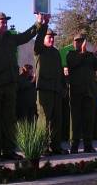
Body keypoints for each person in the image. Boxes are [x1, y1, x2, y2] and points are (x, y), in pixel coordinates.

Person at [0, 12, 48, 161]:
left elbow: (26, 36)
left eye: (6, 22)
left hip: (9, 85)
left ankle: (9, 150)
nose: (5, 24)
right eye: (2, 22)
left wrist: (38, 23)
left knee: (9, 119)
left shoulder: (10, 37)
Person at [34, 26, 69, 155]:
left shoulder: (55, 52)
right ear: (43, 38)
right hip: (44, 89)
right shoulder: (39, 50)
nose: (52, 39)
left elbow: (60, 71)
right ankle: (41, 147)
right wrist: (42, 27)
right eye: (49, 37)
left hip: (56, 90)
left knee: (57, 120)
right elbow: (37, 42)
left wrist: (64, 86)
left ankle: (56, 146)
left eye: (53, 37)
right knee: (44, 119)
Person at [66, 34, 97, 153]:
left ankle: (88, 145)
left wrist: (96, 56)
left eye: (81, 41)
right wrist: (82, 53)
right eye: (77, 41)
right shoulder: (71, 54)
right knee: (75, 120)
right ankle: (74, 146)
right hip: (76, 92)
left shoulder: (90, 56)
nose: (79, 43)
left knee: (89, 119)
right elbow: (73, 63)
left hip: (89, 92)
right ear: (74, 43)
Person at [61, 67, 71, 142]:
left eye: (67, 70)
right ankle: (63, 136)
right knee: (63, 120)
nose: (66, 72)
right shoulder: (62, 79)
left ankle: (67, 136)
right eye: (65, 71)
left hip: (69, 102)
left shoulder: (70, 78)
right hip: (63, 102)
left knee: (68, 120)